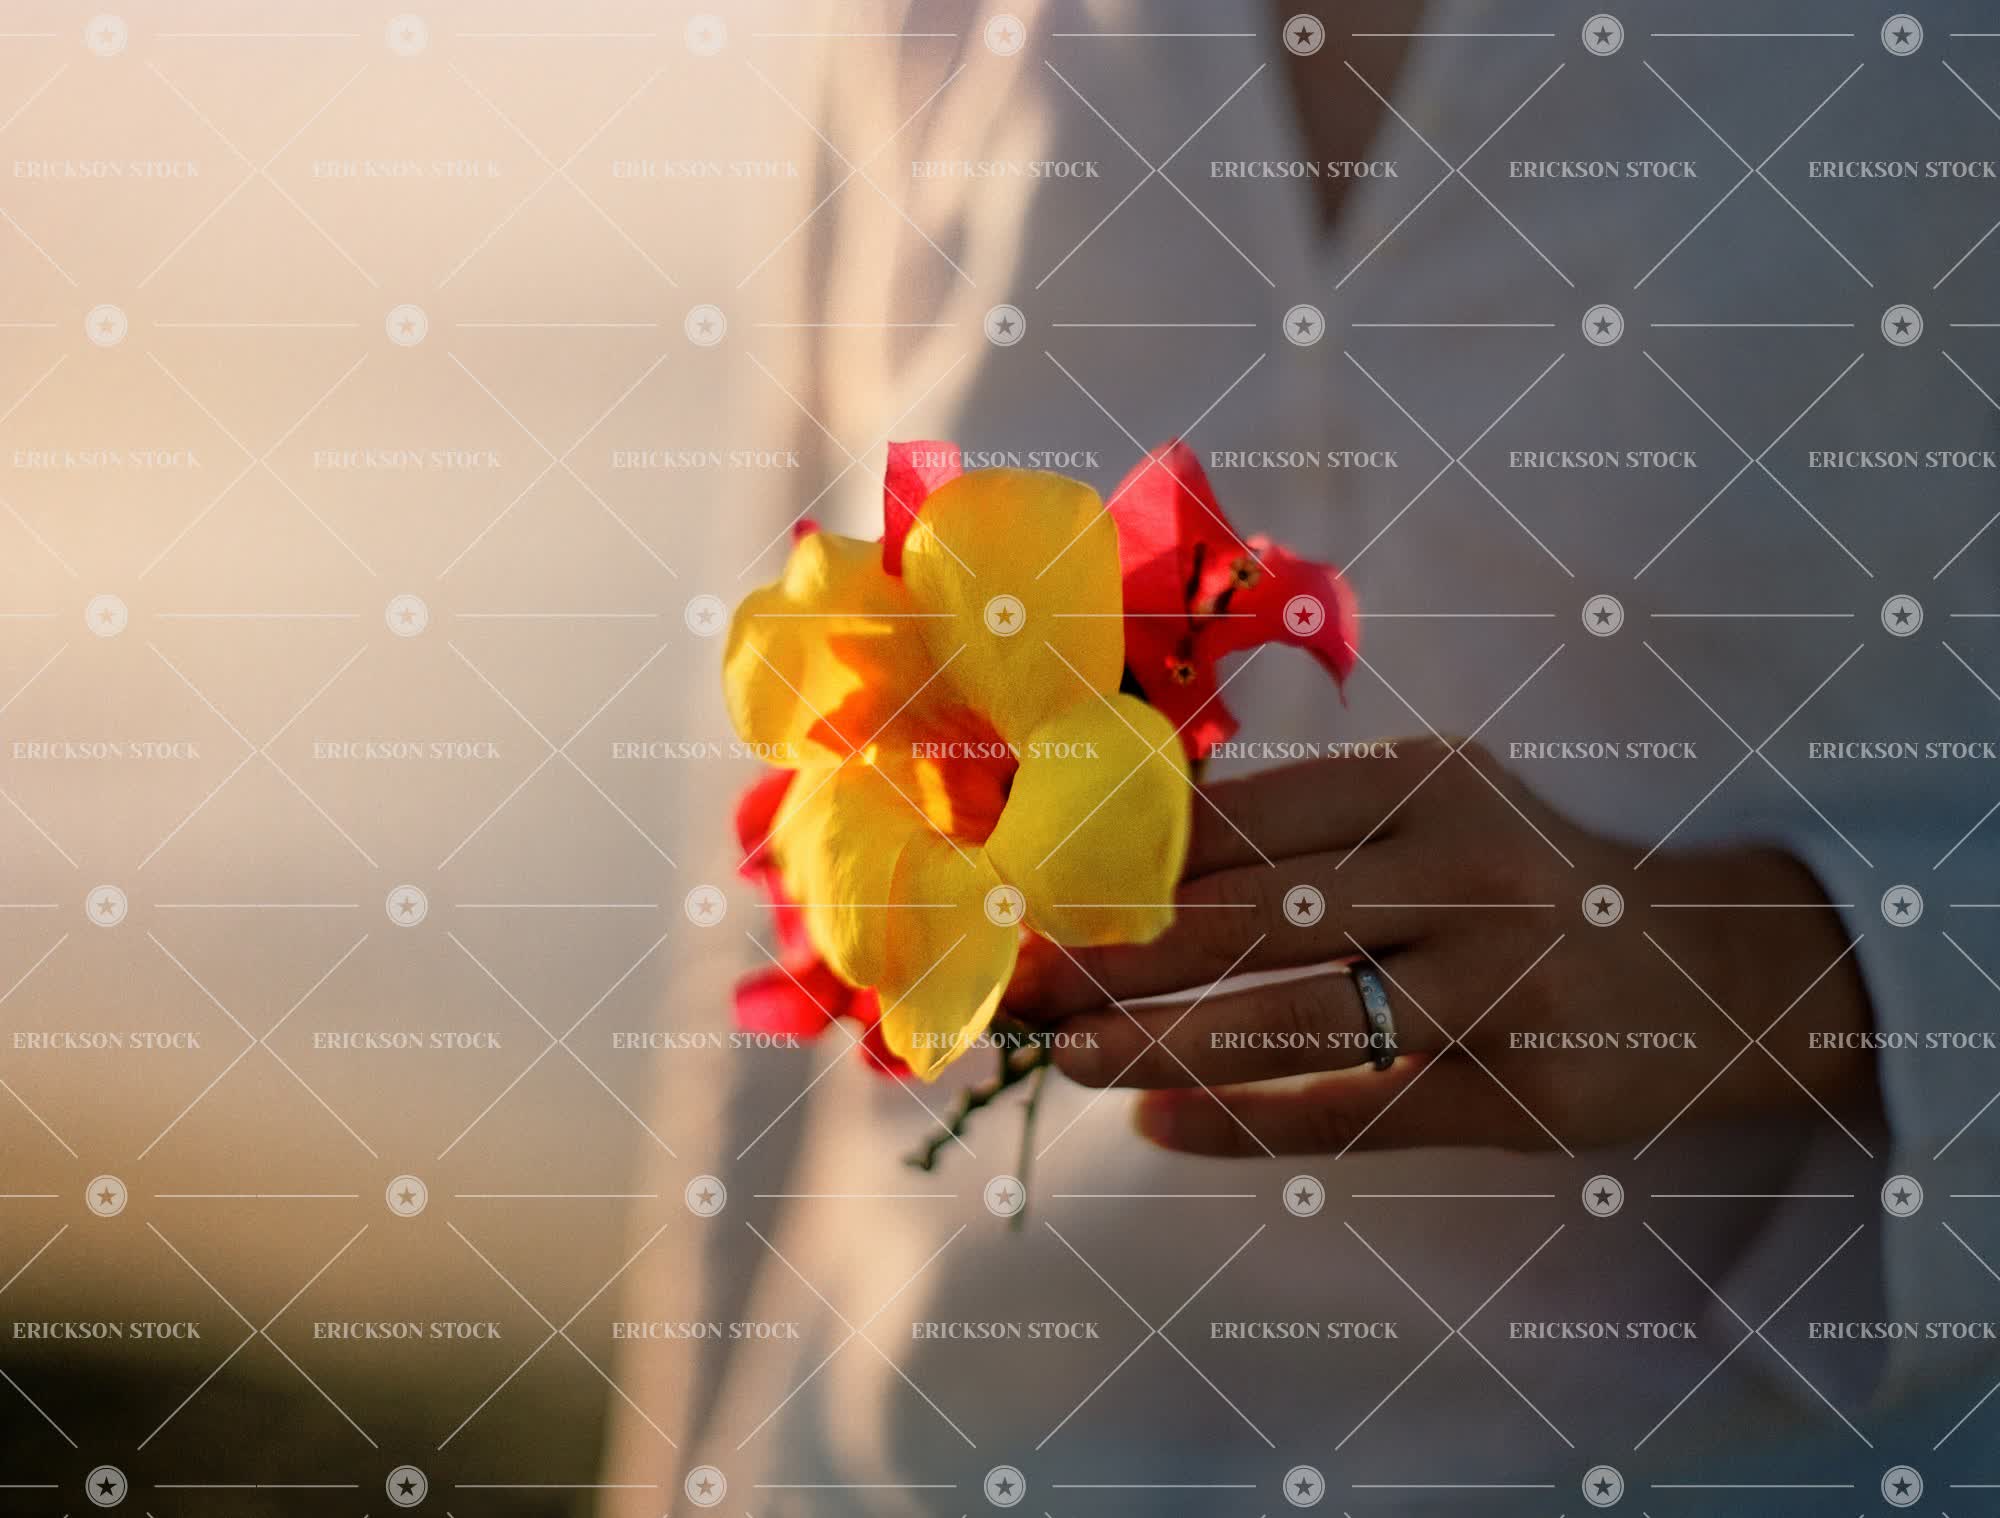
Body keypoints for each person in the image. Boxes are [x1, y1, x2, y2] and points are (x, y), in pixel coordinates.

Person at [608, 2, 2000, 1513]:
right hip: (903, 1456)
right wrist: (674, 1472)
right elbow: (775, 883)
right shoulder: (914, 26)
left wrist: (1786, 975)